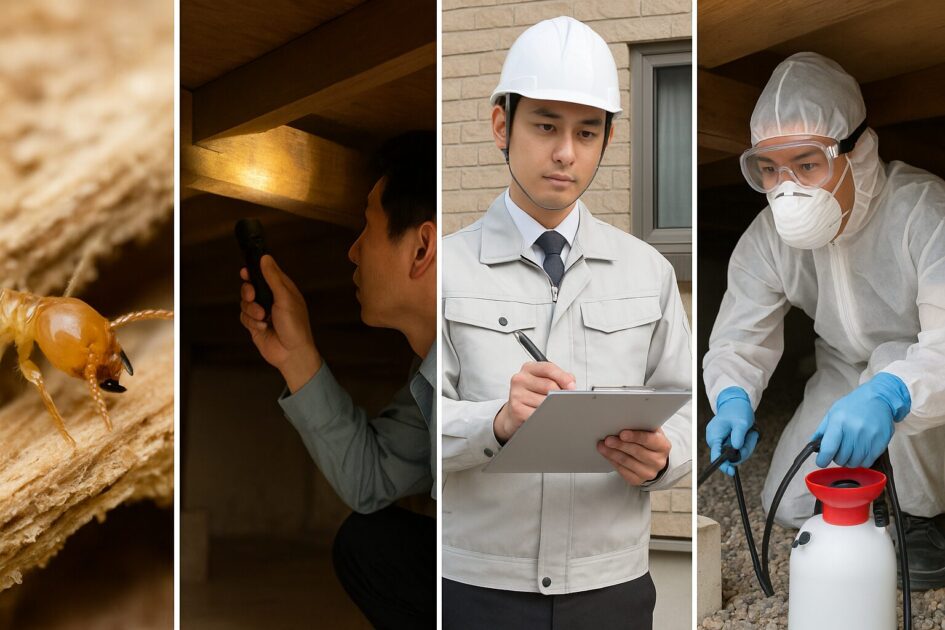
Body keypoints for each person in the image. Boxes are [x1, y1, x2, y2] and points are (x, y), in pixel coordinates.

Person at [441, 17, 692, 629]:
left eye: (587, 132)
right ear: (501, 125)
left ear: (608, 139)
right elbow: (415, 427)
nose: (565, 153)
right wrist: (496, 422)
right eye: (545, 125)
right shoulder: (446, 271)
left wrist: (664, 460)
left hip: (612, 589)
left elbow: (688, 411)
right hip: (477, 589)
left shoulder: (649, 273)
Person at [703, 52, 945, 589]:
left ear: (858, 152)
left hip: (921, 372)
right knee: (789, 502)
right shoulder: (768, 238)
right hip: (842, 367)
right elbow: (739, 336)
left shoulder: (924, 211)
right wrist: (732, 398)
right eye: (770, 168)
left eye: (807, 164)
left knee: (894, 364)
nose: (787, 187)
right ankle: (881, 483)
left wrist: (890, 394)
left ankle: (922, 516)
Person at [239, 131, 436, 627]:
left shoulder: (517, 357)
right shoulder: (430, 376)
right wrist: (297, 355)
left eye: (366, 226)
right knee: (369, 546)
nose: (352, 251)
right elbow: (371, 480)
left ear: (421, 249)